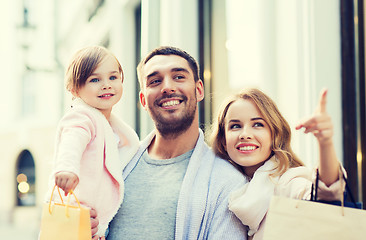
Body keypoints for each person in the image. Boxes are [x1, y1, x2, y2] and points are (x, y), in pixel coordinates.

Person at [96, 46, 247, 240]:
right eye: (155, 81)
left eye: (178, 77)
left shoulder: (227, 183)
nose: (167, 87)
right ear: (143, 100)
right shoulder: (116, 165)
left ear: (199, 90)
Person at [209, 88, 344, 240]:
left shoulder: (287, 184)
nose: (245, 134)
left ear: (275, 135)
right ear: (223, 141)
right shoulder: (224, 190)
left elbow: (326, 195)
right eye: (235, 126)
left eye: (258, 124)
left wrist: (325, 142)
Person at [47, 46, 139, 238]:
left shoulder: (110, 125)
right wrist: (67, 168)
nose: (106, 85)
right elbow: (72, 140)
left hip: (93, 224)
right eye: (95, 80)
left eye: (113, 77)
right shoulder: (81, 116)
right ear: (74, 89)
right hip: (74, 211)